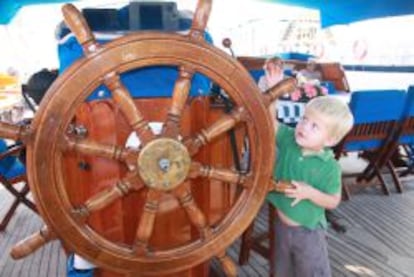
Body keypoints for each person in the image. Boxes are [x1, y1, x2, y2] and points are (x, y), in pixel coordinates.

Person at [268, 95, 354, 277]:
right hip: (281, 227)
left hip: (308, 233)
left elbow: (333, 201)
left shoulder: (329, 167)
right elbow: (270, 124)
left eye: (314, 126)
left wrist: (309, 193)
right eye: (304, 119)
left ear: (330, 140)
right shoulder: (290, 140)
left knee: (311, 272)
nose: (304, 127)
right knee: (282, 271)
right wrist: (272, 94)